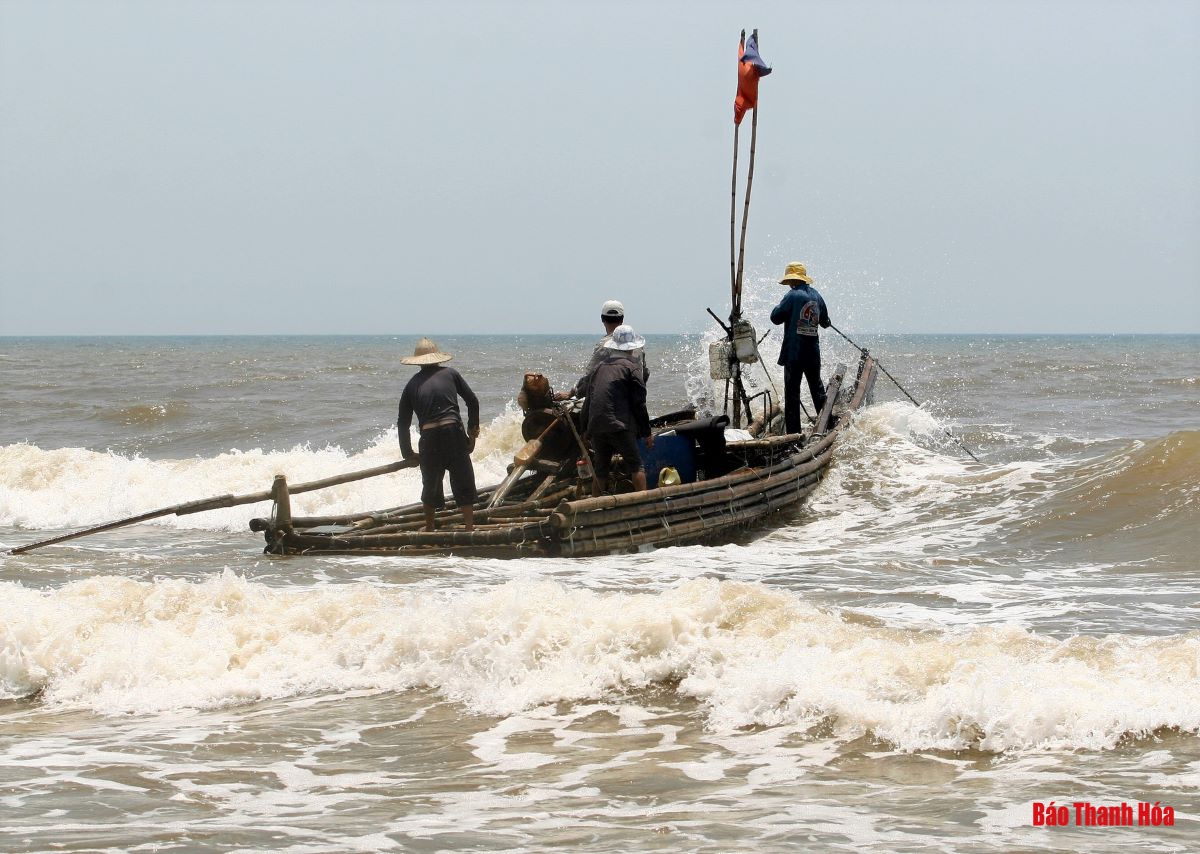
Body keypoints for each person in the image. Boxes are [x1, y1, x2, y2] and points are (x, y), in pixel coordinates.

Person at [397, 338, 480, 532]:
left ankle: (429, 527)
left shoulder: (411, 385)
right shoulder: (451, 374)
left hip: (430, 436)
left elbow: (403, 422)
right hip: (453, 432)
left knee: (431, 482)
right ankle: (469, 526)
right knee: (463, 478)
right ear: (437, 358)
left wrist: (407, 453)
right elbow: (472, 401)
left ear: (417, 361)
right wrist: (472, 429)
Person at [581, 325, 654, 495]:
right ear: (632, 348)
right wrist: (647, 433)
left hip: (597, 425)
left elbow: (588, 402)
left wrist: (584, 430)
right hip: (619, 426)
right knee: (636, 466)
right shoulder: (632, 368)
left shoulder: (599, 368)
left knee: (601, 470)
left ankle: (595, 507)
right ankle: (642, 505)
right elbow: (639, 404)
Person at [770, 262, 831, 434]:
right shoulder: (817, 296)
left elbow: (775, 317)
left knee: (792, 394)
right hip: (812, 352)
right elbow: (825, 322)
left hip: (794, 353)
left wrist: (778, 307)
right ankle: (828, 425)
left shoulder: (792, 296)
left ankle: (794, 434)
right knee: (817, 389)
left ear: (792, 280)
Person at [556, 299, 649, 399]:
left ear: (602, 319)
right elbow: (645, 374)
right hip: (636, 402)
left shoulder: (604, 345)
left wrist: (572, 393)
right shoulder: (637, 345)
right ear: (622, 319)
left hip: (613, 402)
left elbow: (589, 377)